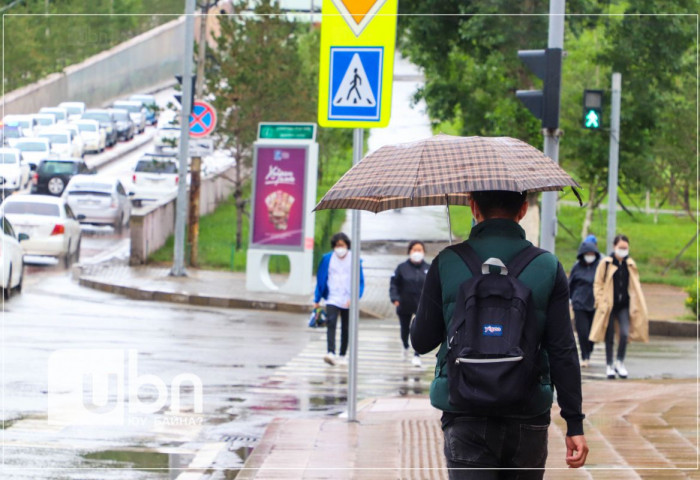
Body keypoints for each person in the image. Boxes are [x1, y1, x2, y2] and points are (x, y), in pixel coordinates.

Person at [411, 190, 588, 478]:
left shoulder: (447, 262)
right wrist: (575, 424)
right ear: (522, 209)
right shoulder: (547, 266)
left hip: (464, 411)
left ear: (472, 206)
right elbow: (563, 351)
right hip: (527, 411)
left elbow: (421, 341)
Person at [590, 234, 649, 379]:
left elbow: (635, 285)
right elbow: (598, 284)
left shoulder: (630, 264)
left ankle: (620, 362)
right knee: (608, 336)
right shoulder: (606, 263)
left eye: (625, 248)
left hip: (624, 305)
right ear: (614, 247)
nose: (623, 250)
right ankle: (609, 364)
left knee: (624, 333)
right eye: (620, 247)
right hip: (609, 305)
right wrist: (600, 301)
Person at [313, 232, 364, 366]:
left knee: (346, 327)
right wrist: (317, 299)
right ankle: (331, 352)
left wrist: (355, 297)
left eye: (342, 245)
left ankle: (342, 354)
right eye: (337, 245)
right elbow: (320, 279)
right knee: (331, 323)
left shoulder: (355, 259)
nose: (339, 248)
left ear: (347, 245)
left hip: (348, 298)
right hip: (332, 297)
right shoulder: (327, 259)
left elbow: (360, 281)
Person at [389, 240, 430, 367]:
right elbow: (394, 284)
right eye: (414, 250)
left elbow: (434, 287)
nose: (417, 253)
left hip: (421, 306)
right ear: (409, 251)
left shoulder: (428, 268)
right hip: (404, 303)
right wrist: (395, 298)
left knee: (419, 330)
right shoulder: (401, 268)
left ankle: (417, 355)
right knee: (404, 329)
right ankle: (405, 345)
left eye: (420, 250)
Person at [568, 240, 601, 368]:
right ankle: (584, 356)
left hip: (594, 304)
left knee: (592, 333)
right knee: (582, 332)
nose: (590, 255)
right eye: (587, 253)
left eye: (592, 253)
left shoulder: (599, 267)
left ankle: (589, 350)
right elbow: (570, 284)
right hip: (579, 304)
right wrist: (570, 300)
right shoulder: (576, 267)